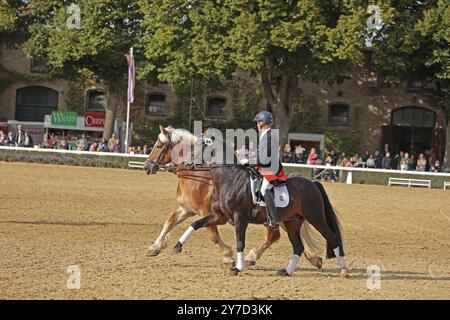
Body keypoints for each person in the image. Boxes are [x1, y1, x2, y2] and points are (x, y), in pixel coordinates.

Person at [254, 111, 287, 229]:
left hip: (271, 168)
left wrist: (252, 161)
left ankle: (273, 220)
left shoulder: (270, 135)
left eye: (258, 122)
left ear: (262, 123)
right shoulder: (265, 134)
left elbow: (265, 156)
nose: (257, 124)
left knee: (264, 189)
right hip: (264, 166)